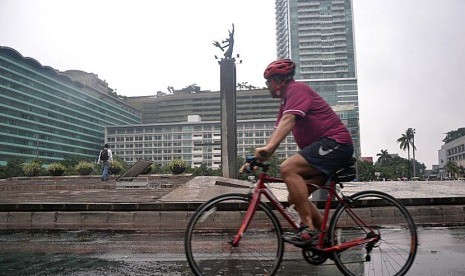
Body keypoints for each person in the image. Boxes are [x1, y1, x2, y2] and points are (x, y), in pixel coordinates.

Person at [243, 59, 354, 247]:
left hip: (336, 142)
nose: (267, 86)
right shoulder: (285, 103)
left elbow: (289, 120)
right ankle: (327, 237)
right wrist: (256, 159)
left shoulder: (297, 90)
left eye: (268, 82)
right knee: (295, 197)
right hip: (324, 149)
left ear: (278, 81)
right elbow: (277, 135)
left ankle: (309, 229)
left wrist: (267, 150)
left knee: (288, 168)